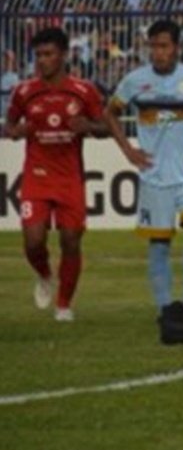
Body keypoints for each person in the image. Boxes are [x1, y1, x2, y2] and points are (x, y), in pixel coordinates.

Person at [105, 20, 183, 311]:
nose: (158, 52)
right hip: (153, 177)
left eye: (163, 46)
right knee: (159, 244)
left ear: (176, 47)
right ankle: (164, 309)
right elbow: (109, 113)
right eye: (153, 46)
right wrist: (128, 150)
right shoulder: (135, 80)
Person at [3, 27, 106, 322]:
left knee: (71, 241)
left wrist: (87, 126)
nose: (42, 61)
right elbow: (9, 126)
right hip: (36, 176)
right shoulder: (24, 91)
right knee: (33, 241)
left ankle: (64, 304)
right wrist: (16, 131)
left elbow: (106, 128)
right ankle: (45, 274)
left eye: (48, 54)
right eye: (38, 55)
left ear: (63, 55)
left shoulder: (84, 91)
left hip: (70, 177)